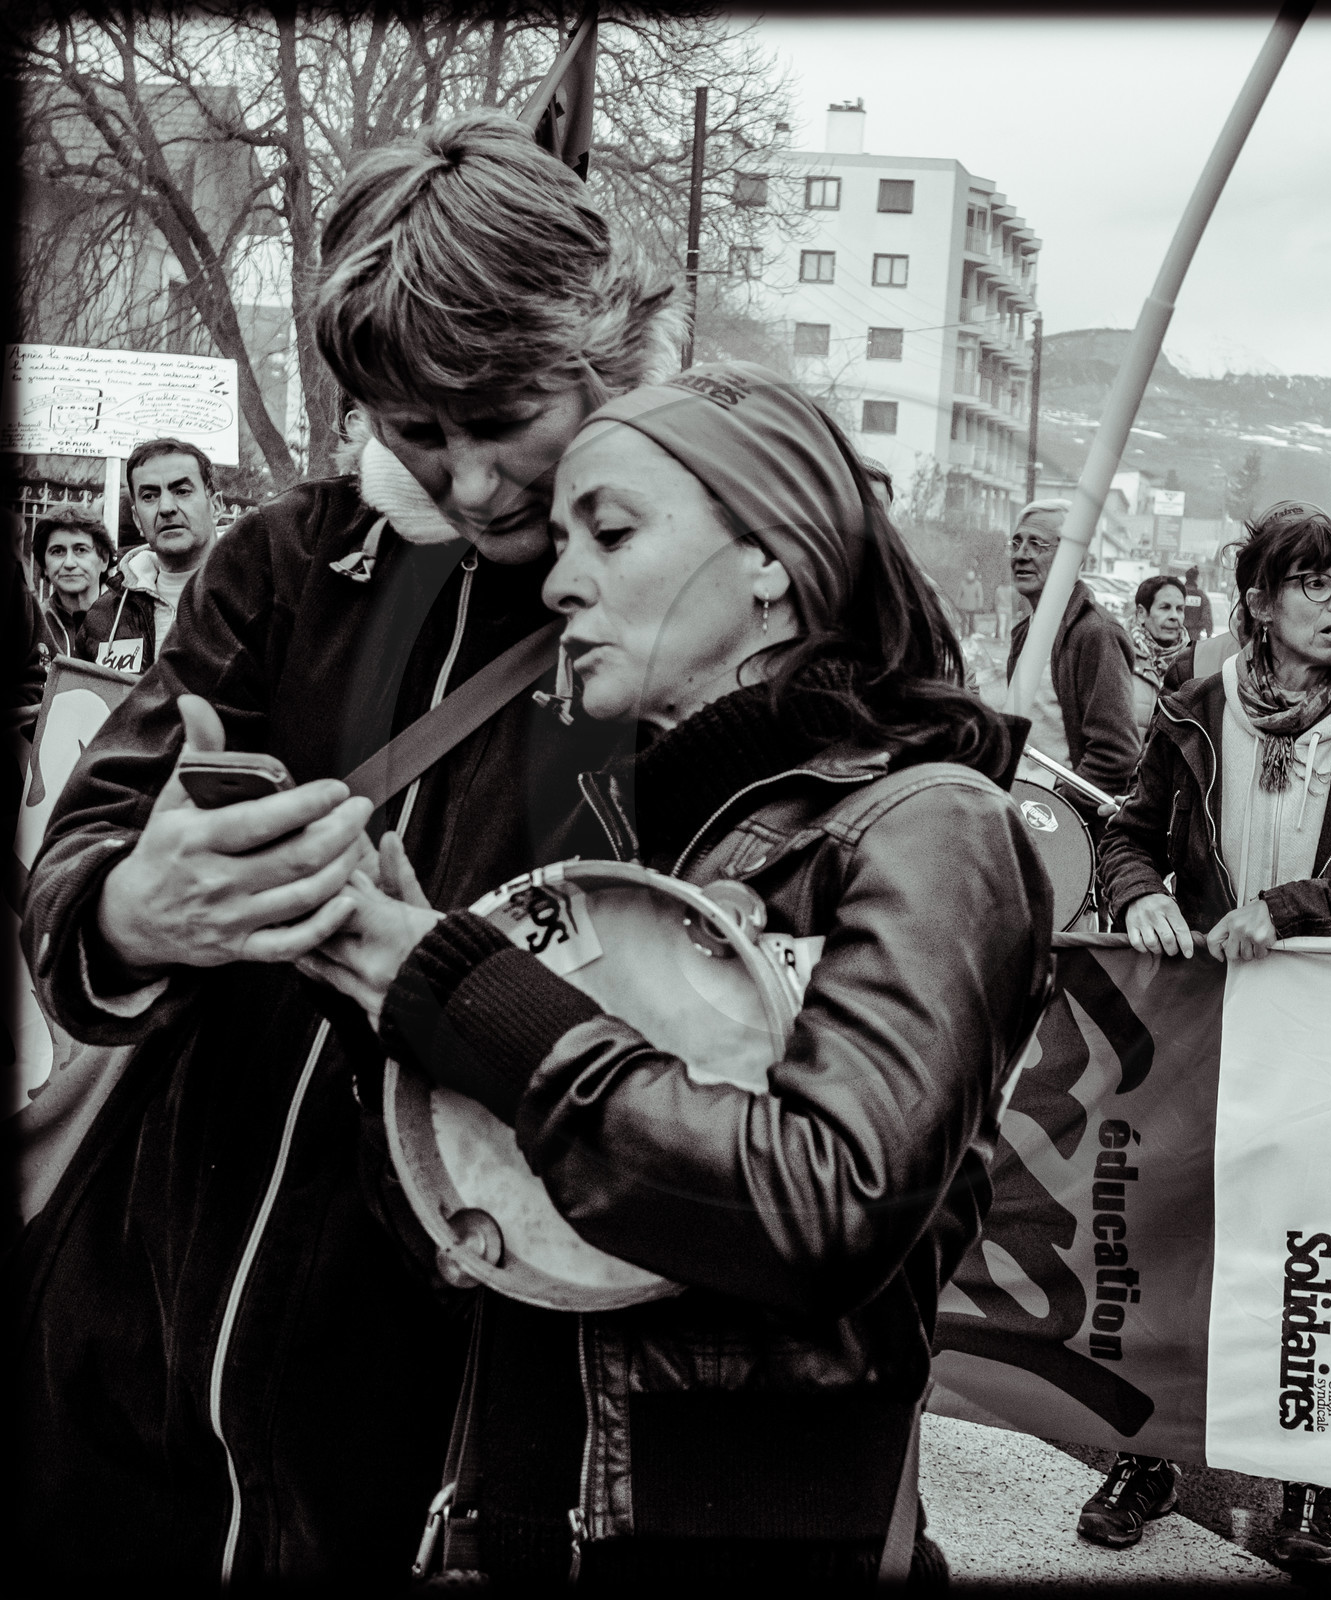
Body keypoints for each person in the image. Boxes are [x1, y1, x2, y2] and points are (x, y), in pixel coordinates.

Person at [15, 109, 680, 1588]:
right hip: (141, 1328)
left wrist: (433, 969)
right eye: (413, 433)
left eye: (507, 419)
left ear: (614, 359)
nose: (473, 483)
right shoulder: (281, 564)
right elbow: (74, 879)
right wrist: (132, 909)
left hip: (457, 1387)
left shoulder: (699, 611)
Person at [297, 361, 1056, 1591]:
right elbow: (516, 1236)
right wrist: (384, 1016)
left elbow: (825, 1206)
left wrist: (459, 988)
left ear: (773, 559)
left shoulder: (935, 827)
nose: (558, 580)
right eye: (558, 541)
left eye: (611, 530)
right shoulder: (634, 848)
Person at [1087, 502, 1331, 1568]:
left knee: (1318, 1250)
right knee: (1173, 1241)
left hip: (1328, 1034)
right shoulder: (1196, 709)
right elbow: (1126, 831)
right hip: (1199, 1024)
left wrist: (1290, 911)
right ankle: (1147, 1453)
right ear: (1257, 600)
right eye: (1316, 584)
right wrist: (1140, 892)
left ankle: (1310, 1480)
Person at [1005, 499, 1140, 825]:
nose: (1021, 554)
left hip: (1060, 830)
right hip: (1020, 814)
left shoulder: (1095, 634)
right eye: (1017, 542)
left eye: (1037, 544)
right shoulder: (1025, 632)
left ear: (1074, 557)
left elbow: (1115, 754)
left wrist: (1054, 809)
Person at [75, 438, 223, 675]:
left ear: (216, 506)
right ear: (136, 520)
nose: (166, 507)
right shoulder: (105, 618)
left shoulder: (259, 598)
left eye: (182, 491)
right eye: (149, 496)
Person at [30, 503, 115, 665]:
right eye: (57, 551)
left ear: (104, 559)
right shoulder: (34, 625)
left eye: (81, 550)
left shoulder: (127, 618)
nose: (69, 563)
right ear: (44, 566)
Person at [1127, 572, 1187, 733]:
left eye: (1180, 609)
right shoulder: (1120, 656)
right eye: (1165, 607)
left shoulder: (1192, 661)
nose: (1175, 616)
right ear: (1141, 613)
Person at [1182, 564, 1213, 641]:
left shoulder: (1179, 593)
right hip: (1194, 636)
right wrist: (1209, 634)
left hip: (1177, 634)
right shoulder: (1201, 596)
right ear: (1197, 579)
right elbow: (1206, 617)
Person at [957, 565, 985, 637]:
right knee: (963, 620)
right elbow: (959, 594)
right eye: (969, 575)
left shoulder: (978, 584)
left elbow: (980, 595)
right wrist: (957, 604)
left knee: (971, 621)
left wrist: (980, 605)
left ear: (974, 576)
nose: (970, 577)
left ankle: (970, 634)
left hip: (972, 605)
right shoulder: (962, 583)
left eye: (972, 575)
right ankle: (963, 633)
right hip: (963, 605)